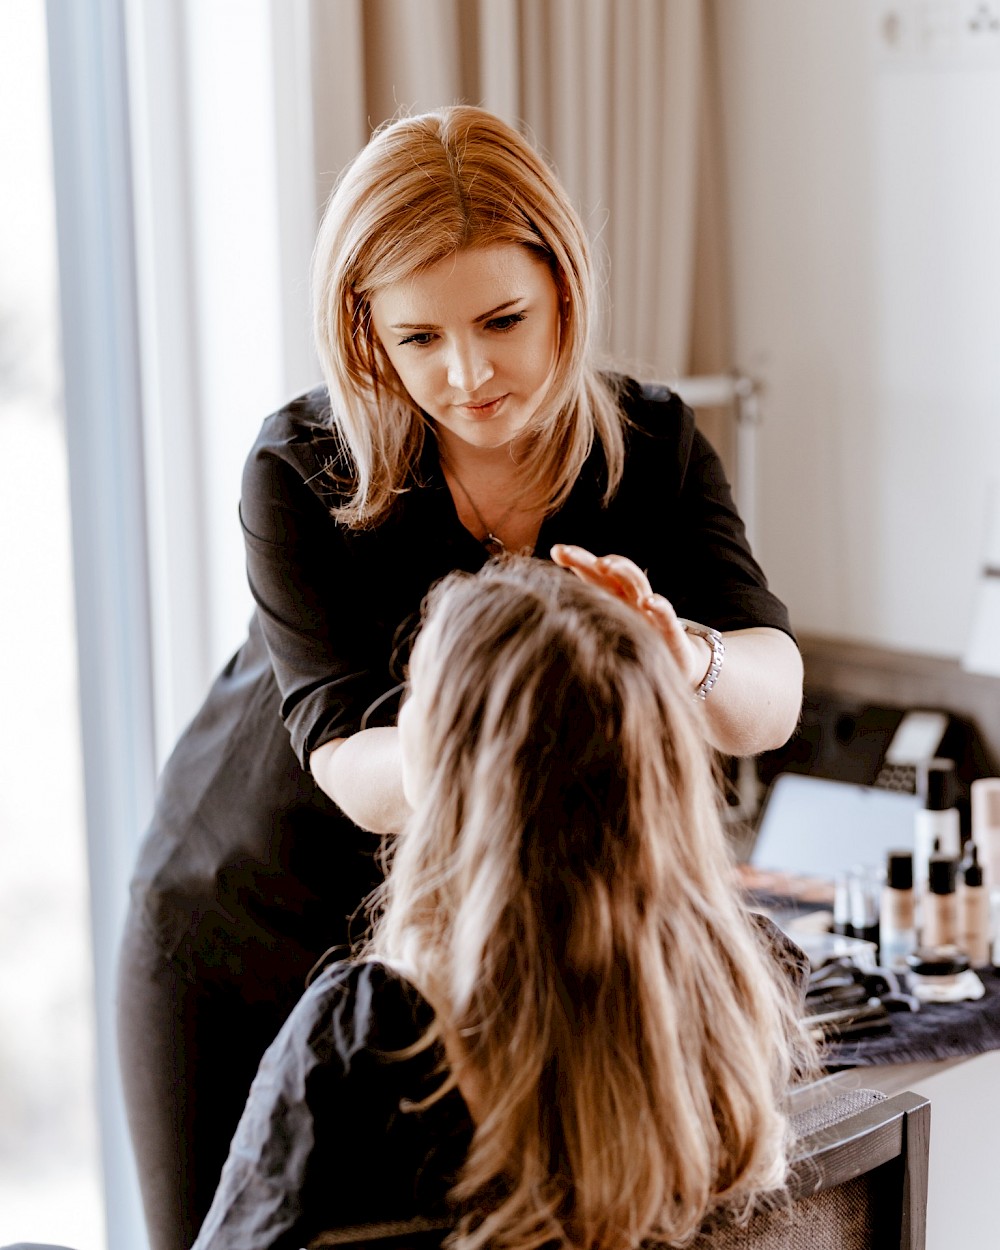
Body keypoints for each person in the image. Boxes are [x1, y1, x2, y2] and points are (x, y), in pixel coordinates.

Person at [117, 104, 805, 1250]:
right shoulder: (304, 469)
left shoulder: (647, 447)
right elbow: (353, 768)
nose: (470, 373)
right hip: (243, 924)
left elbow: (768, 695)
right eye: (419, 338)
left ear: (565, 290)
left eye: (503, 320)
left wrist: (676, 656)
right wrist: (546, 701)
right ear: (363, 327)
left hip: (479, 949)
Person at [191, 557, 815, 1250]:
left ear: (448, 776)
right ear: (655, 768)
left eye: (415, 703)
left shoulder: (367, 1043)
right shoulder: (738, 1001)